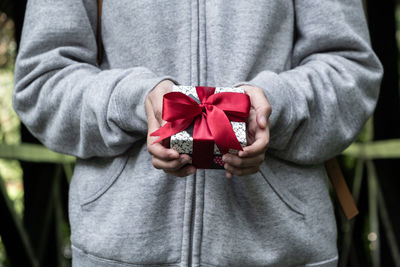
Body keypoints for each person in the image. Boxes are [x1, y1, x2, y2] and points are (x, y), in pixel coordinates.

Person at [13, 0, 382, 266]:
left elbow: (351, 73)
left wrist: (272, 106)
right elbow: (42, 81)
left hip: (285, 252)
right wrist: (133, 100)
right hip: (118, 253)